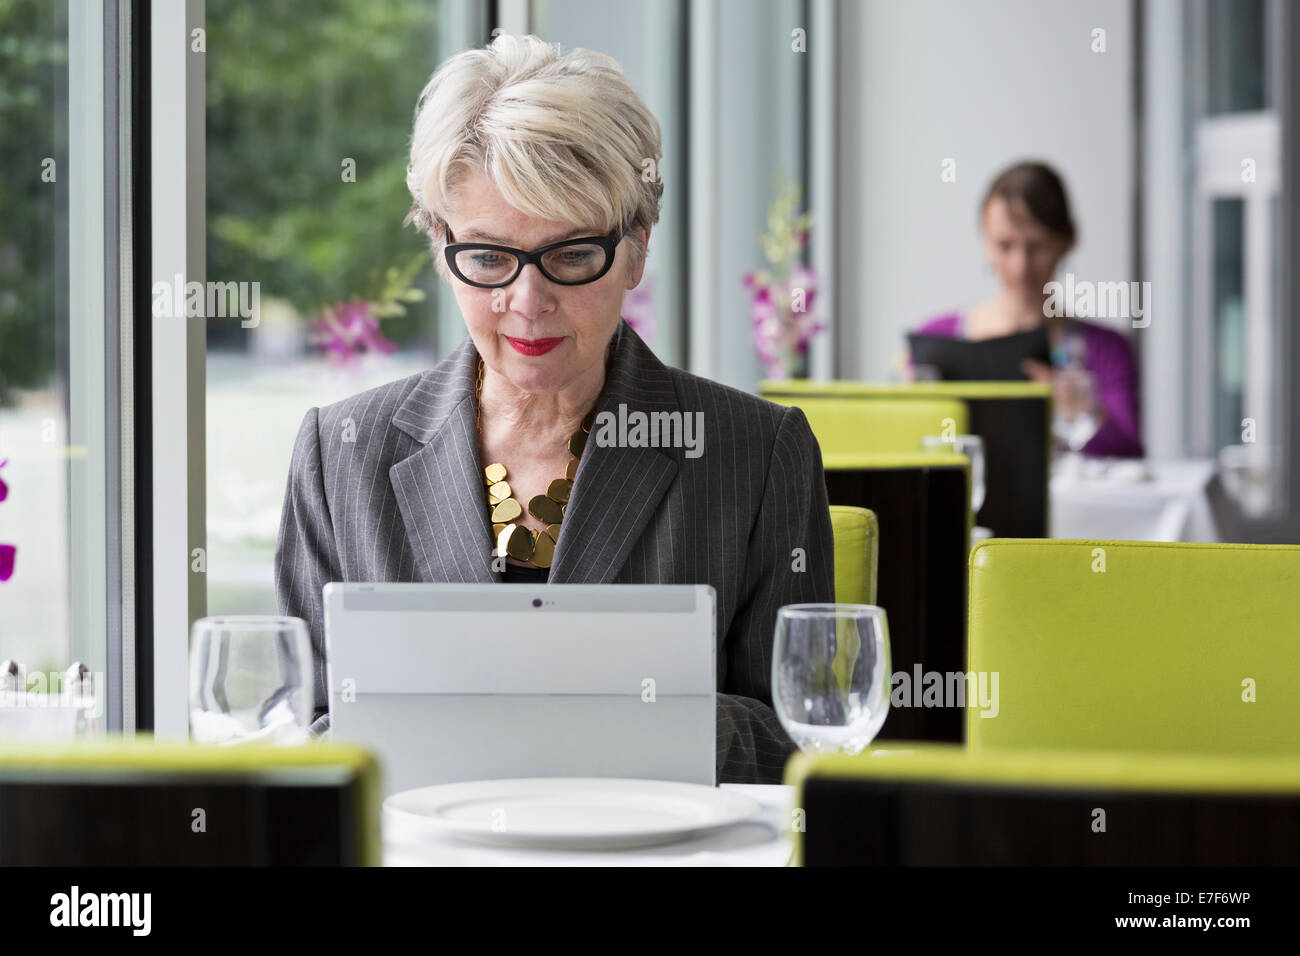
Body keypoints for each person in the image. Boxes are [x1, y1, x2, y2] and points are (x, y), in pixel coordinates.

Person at [274, 34, 834, 785]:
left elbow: (804, 744)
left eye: (571, 256)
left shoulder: (757, 454)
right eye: (488, 257)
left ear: (635, 249)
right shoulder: (340, 453)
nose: (527, 303)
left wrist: (631, 721)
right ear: (441, 246)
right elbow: (297, 733)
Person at [914, 161, 1144, 458]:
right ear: (985, 240)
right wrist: (911, 406)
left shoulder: (1107, 351)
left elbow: (1130, 452)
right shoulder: (936, 340)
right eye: (1005, 246)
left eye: (1036, 247)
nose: (1020, 267)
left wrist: (1085, 413)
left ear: (1066, 241)